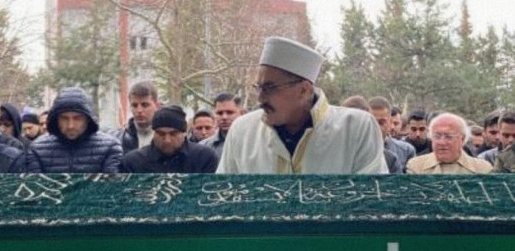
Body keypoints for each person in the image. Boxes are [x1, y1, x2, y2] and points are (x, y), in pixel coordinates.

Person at [217, 37, 386, 174]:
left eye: (270, 88)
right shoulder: (243, 131)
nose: (260, 98)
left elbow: (372, 204)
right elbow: (223, 199)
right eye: (258, 88)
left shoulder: (356, 128)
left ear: (304, 90)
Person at [28, 87, 122, 173]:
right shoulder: (37, 149)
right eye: (64, 118)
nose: (70, 126)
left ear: (88, 119)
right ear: (56, 119)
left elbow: (111, 187)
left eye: (77, 118)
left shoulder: (109, 148)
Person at [121, 105, 219, 173]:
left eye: (173, 134)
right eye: (161, 134)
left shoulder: (204, 157)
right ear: (154, 133)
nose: (167, 140)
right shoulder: (133, 162)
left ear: (184, 133)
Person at [406, 113, 492, 174]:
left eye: (449, 136)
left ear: (462, 139)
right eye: (437, 136)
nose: (442, 142)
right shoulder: (416, 167)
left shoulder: (482, 169)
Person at [369, 96, 415, 172]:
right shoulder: (356, 152)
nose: (377, 127)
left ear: (390, 122)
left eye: (381, 122)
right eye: (372, 122)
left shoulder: (406, 151)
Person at [114, 81, 160, 153]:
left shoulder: (167, 137)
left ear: (157, 105)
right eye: (134, 105)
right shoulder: (119, 139)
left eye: (145, 105)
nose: (139, 110)